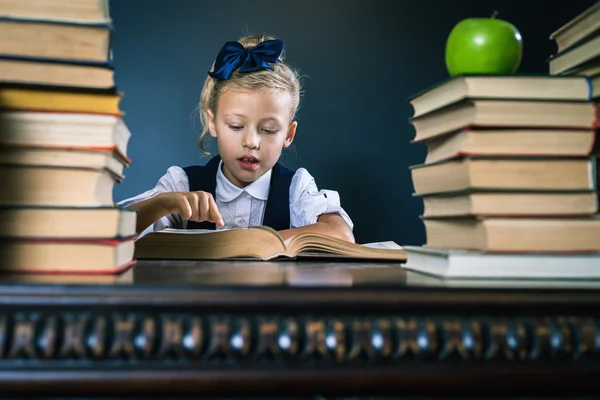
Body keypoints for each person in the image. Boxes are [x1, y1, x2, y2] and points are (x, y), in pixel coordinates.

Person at [118, 35, 354, 243]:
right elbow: (110, 231)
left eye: (269, 130)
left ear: (288, 135)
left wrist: (257, 241)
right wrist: (164, 204)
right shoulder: (182, 184)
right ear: (213, 123)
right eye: (236, 126)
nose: (251, 141)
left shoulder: (296, 189)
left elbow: (342, 234)